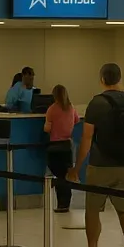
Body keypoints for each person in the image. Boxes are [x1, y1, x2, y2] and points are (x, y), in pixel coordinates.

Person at [70, 63, 124, 247]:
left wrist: (77, 167)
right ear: (120, 79)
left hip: (100, 165)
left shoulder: (97, 103)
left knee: (93, 210)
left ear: (102, 79)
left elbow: (87, 139)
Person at [44, 84, 80, 213]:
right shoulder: (71, 108)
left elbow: (47, 128)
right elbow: (77, 120)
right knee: (65, 175)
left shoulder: (52, 109)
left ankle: (61, 204)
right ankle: (65, 204)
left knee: (59, 176)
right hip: (67, 145)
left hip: (55, 146)